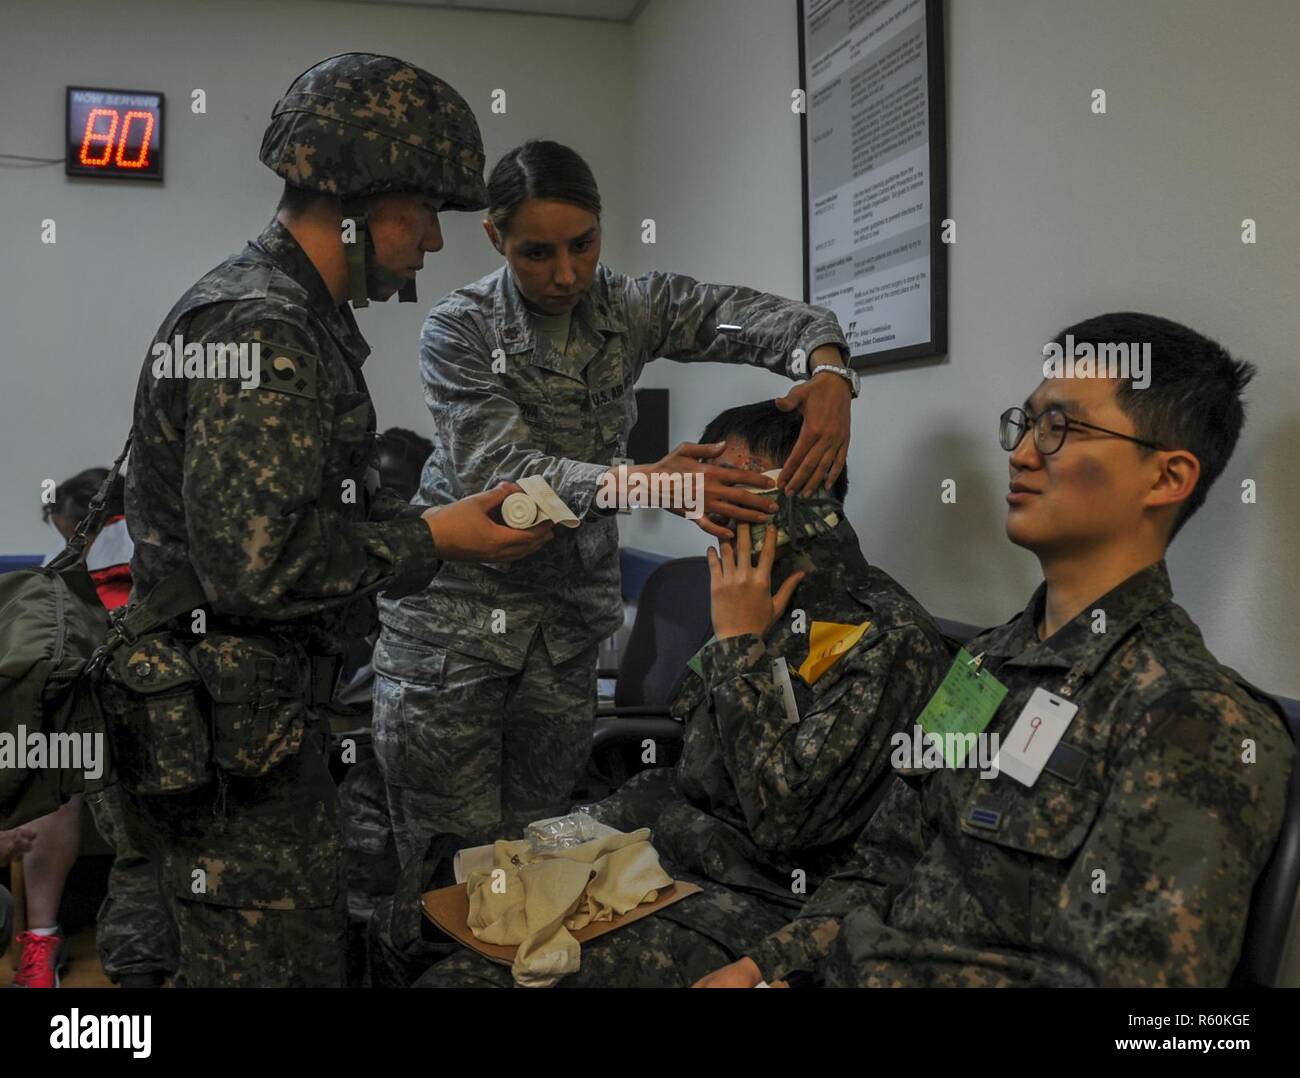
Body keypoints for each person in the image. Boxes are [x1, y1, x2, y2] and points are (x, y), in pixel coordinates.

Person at [116, 53, 554, 988]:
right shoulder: (265, 328)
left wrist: (436, 521)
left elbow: (295, 515)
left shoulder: (277, 315)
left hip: (239, 739)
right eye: (428, 210)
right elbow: (255, 567)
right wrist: (438, 536)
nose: (435, 241)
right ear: (364, 200)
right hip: (240, 770)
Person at [699, 312, 1294, 988]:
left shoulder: (1189, 719)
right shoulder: (983, 666)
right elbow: (886, 858)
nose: (1021, 453)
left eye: (1062, 428)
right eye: (1028, 422)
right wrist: (762, 966)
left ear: (1166, 479)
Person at [375, 139, 859, 873]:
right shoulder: (461, 328)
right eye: (537, 253)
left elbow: (744, 316)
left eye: (584, 245)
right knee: (450, 871)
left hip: (563, 639)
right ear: (494, 237)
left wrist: (828, 367)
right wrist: (653, 483)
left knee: (539, 858)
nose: (566, 273)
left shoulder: (630, 307)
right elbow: (504, 477)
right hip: (455, 639)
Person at [370, 402, 947, 988]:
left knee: (460, 981)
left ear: (798, 490)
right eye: (705, 488)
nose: (708, 506)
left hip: (751, 891)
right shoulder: (758, 594)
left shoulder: (888, 641)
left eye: (731, 482)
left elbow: (785, 822)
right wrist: (564, 840)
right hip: (662, 841)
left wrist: (740, 644)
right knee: (406, 922)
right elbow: (691, 753)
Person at [12, 469, 176, 988]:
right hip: (180, 722)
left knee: (48, 772)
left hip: (94, 728)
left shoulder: (66, 563)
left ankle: (40, 939)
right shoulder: (170, 538)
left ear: (75, 514)